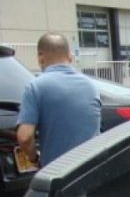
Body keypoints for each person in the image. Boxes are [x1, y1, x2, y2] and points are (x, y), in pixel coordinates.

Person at [16, 33, 101, 167]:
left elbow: (25, 137)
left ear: (40, 57)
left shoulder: (36, 87)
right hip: (91, 170)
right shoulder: (91, 86)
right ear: (70, 57)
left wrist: (34, 159)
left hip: (58, 174)